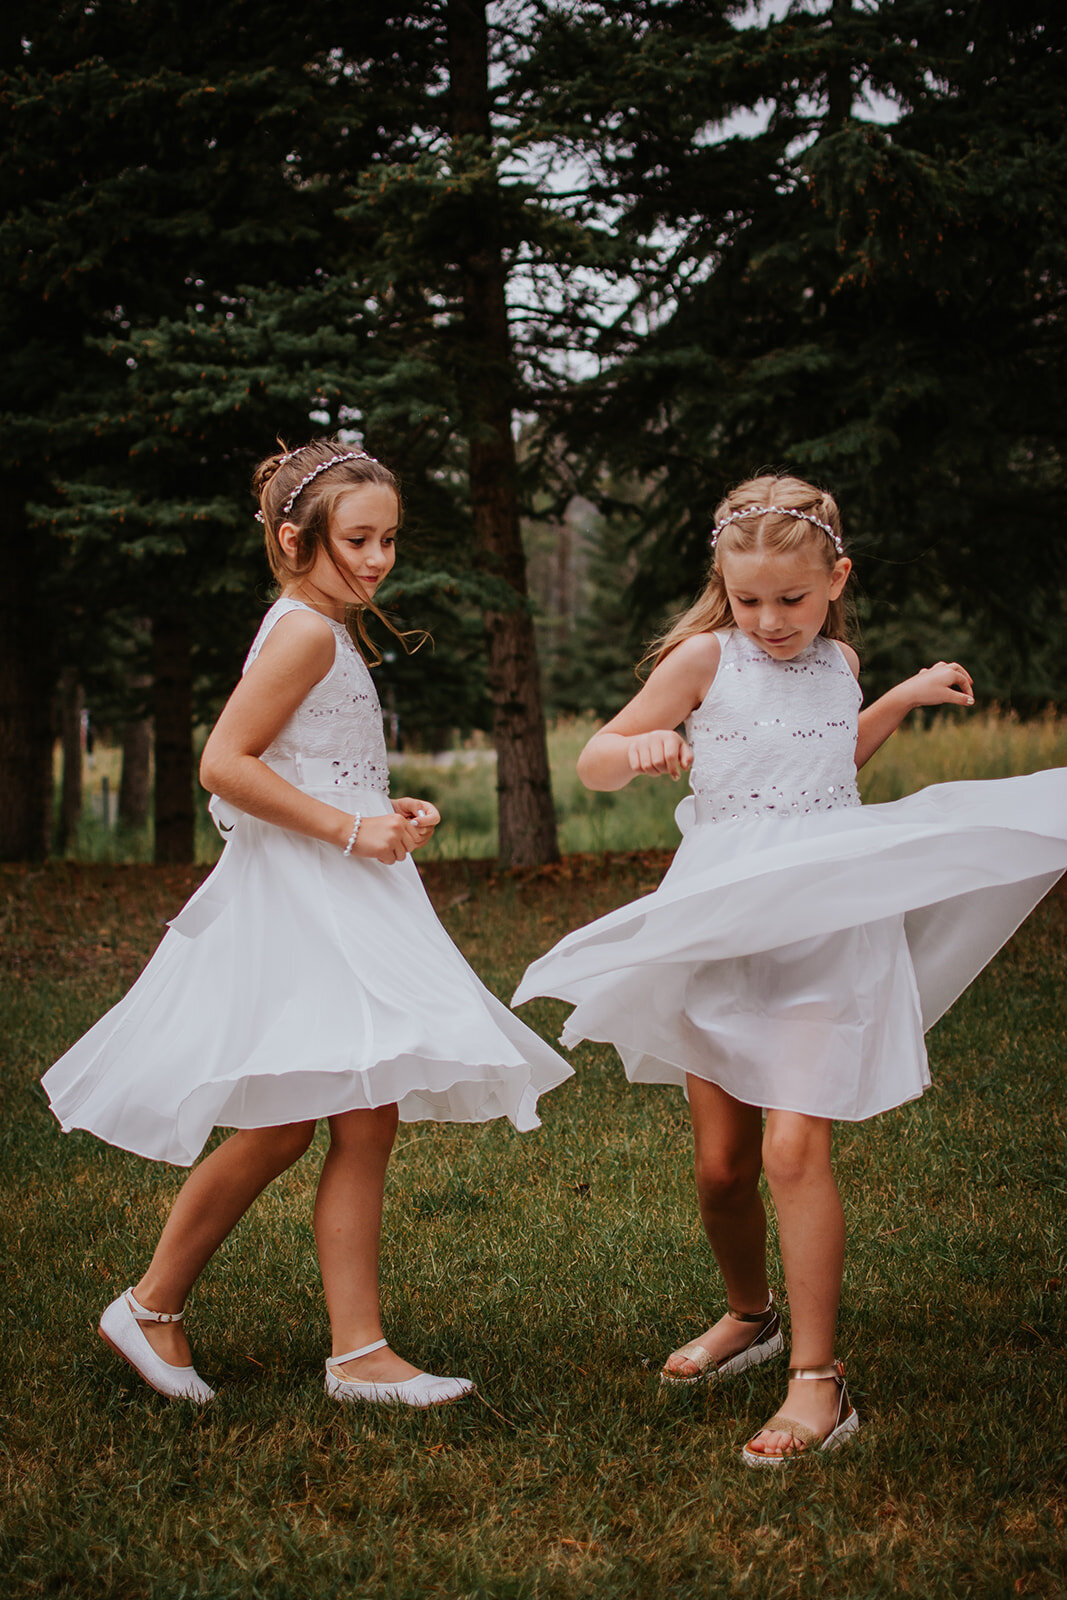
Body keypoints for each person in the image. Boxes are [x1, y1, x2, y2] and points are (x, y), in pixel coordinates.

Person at [513, 473, 1067, 1466]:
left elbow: (827, 762)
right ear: (723, 588)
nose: (769, 621)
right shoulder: (701, 658)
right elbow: (594, 757)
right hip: (723, 923)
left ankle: (818, 1379)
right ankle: (747, 1314)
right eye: (748, 599)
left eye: (791, 600)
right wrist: (633, 748)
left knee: (789, 1152)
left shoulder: (841, 661)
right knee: (721, 1167)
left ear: (835, 578)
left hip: (823, 925)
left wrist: (893, 696)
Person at [44, 438, 572, 1409]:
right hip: (302, 894)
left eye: (389, 540)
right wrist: (347, 826)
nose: (378, 560)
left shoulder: (324, 627)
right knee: (287, 1120)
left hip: (333, 882)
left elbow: (306, 764)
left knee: (358, 1116)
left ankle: (354, 1350)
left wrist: (382, 807)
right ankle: (155, 1304)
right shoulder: (302, 632)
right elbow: (223, 763)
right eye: (357, 539)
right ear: (295, 539)